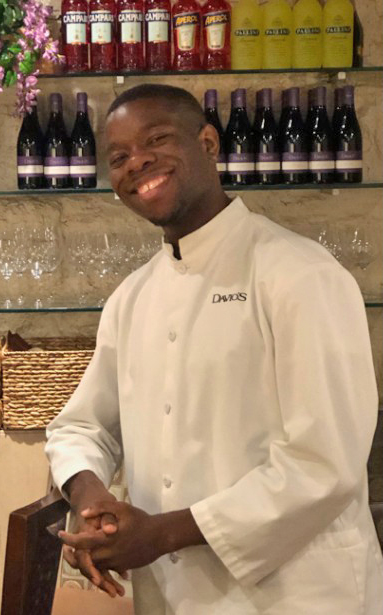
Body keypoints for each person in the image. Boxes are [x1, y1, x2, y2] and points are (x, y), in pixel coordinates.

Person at [45, 84, 383, 614]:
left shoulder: (300, 274)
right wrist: (94, 503)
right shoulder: (131, 298)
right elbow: (82, 427)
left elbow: (325, 461)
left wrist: (161, 534)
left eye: (157, 139)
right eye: (119, 156)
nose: (139, 162)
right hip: (172, 596)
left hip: (297, 593)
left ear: (207, 142)